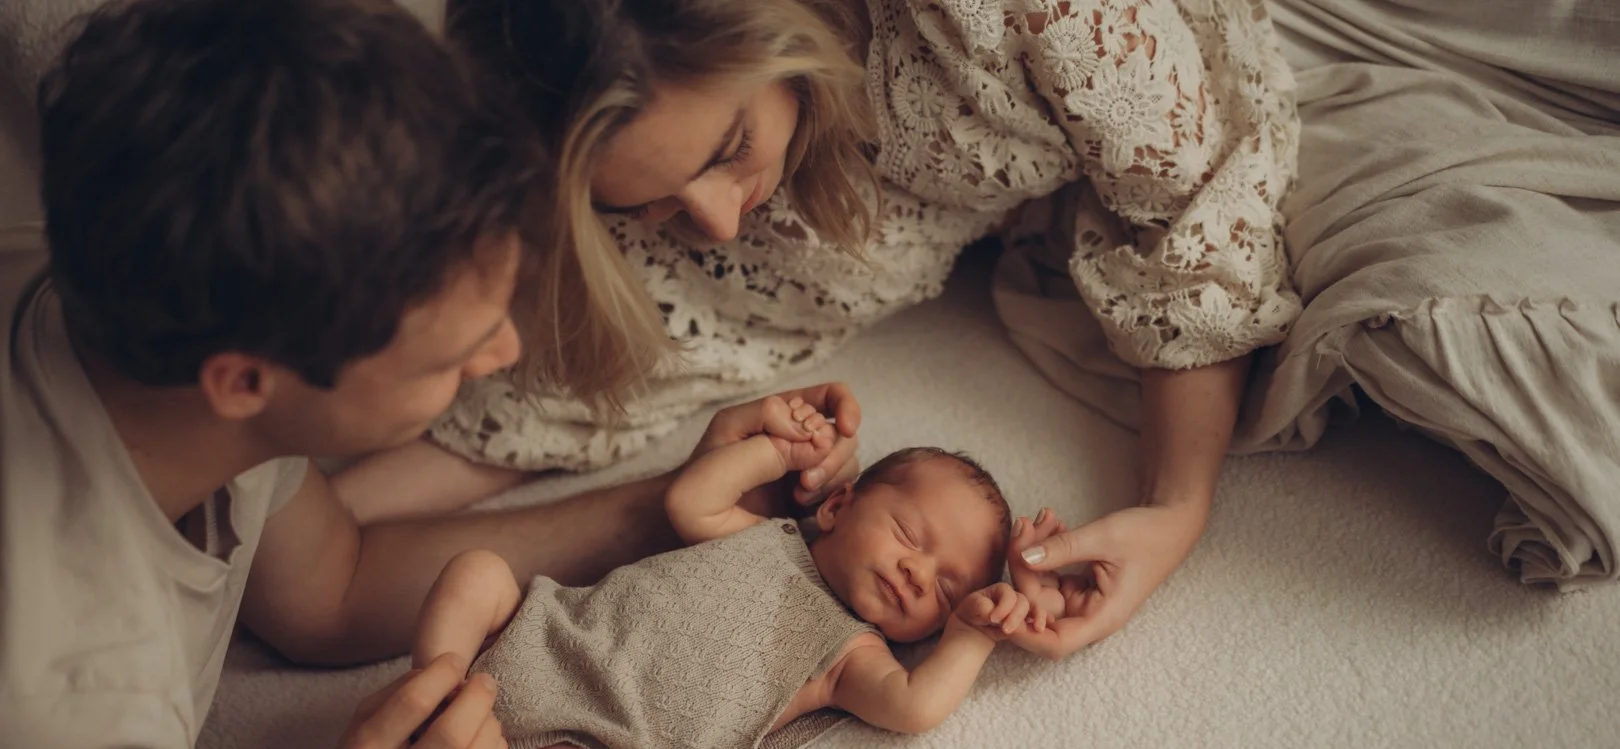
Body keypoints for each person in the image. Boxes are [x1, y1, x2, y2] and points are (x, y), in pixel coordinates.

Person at [0, 0, 860, 749]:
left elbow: (326, 591)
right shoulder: (60, 723)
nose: (502, 353)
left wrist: (673, 503)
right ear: (247, 381)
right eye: (448, 350)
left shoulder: (106, 293)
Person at [332, 0, 1304, 663]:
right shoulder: (653, 240)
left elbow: (1192, 214)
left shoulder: (1014, 25)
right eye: (654, 204)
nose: (718, 216)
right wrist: (697, 499)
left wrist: (1176, 510)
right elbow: (322, 588)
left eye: (727, 150)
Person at [414, 401, 1029, 749]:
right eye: (908, 535)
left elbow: (914, 705)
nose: (916, 573)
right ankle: (429, 694)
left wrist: (972, 637)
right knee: (478, 572)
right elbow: (691, 499)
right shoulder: (769, 539)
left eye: (947, 589)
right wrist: (781, 453)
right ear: (838, 506)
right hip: (542, 633)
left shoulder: (848, 654)